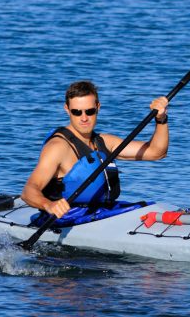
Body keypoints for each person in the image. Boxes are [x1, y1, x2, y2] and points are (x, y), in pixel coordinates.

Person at [21, 80, 169, 221]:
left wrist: (161, 119)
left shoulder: (105, 142)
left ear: (98, 107)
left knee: (149, 207)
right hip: (67, 218)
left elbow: (157, 152)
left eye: (90, 111)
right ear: (67, 109)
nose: (84, 118)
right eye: (77, 112)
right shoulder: (58, 147)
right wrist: (48, 205)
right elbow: (29, 190)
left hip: (102, 212)